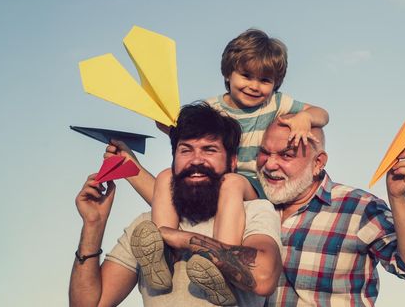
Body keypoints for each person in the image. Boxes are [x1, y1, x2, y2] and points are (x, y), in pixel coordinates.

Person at [69, 103, 282, 306]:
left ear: (232, 161)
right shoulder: (146, 228)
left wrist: (184, 239)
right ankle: (165, 261)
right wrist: (93, 225)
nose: (196, 160)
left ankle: (221, 280)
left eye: (209, 150)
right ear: (174, 158)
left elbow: (263, 278)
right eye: (186, 150)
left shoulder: (253, 213)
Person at [150, 29, 330, 250]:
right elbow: (184, 134)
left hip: (253, 184)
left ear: (275, 84)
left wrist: (305, 117)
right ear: (228, 73)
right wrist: (163, 120)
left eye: (265, 80)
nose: (254, 86)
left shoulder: (275, 103)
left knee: (232, 182)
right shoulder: (211, 108)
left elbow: (323, 114)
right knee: (166, 176)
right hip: (214, 179)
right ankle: (160, 247)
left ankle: (224, 257)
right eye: (246, 76)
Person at [256, 116, 405, 306]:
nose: (269, 164)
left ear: (318, 163)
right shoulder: (252, 205)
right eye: (264, 153)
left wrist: (398, 198)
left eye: (286, 155)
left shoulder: (360, 208)